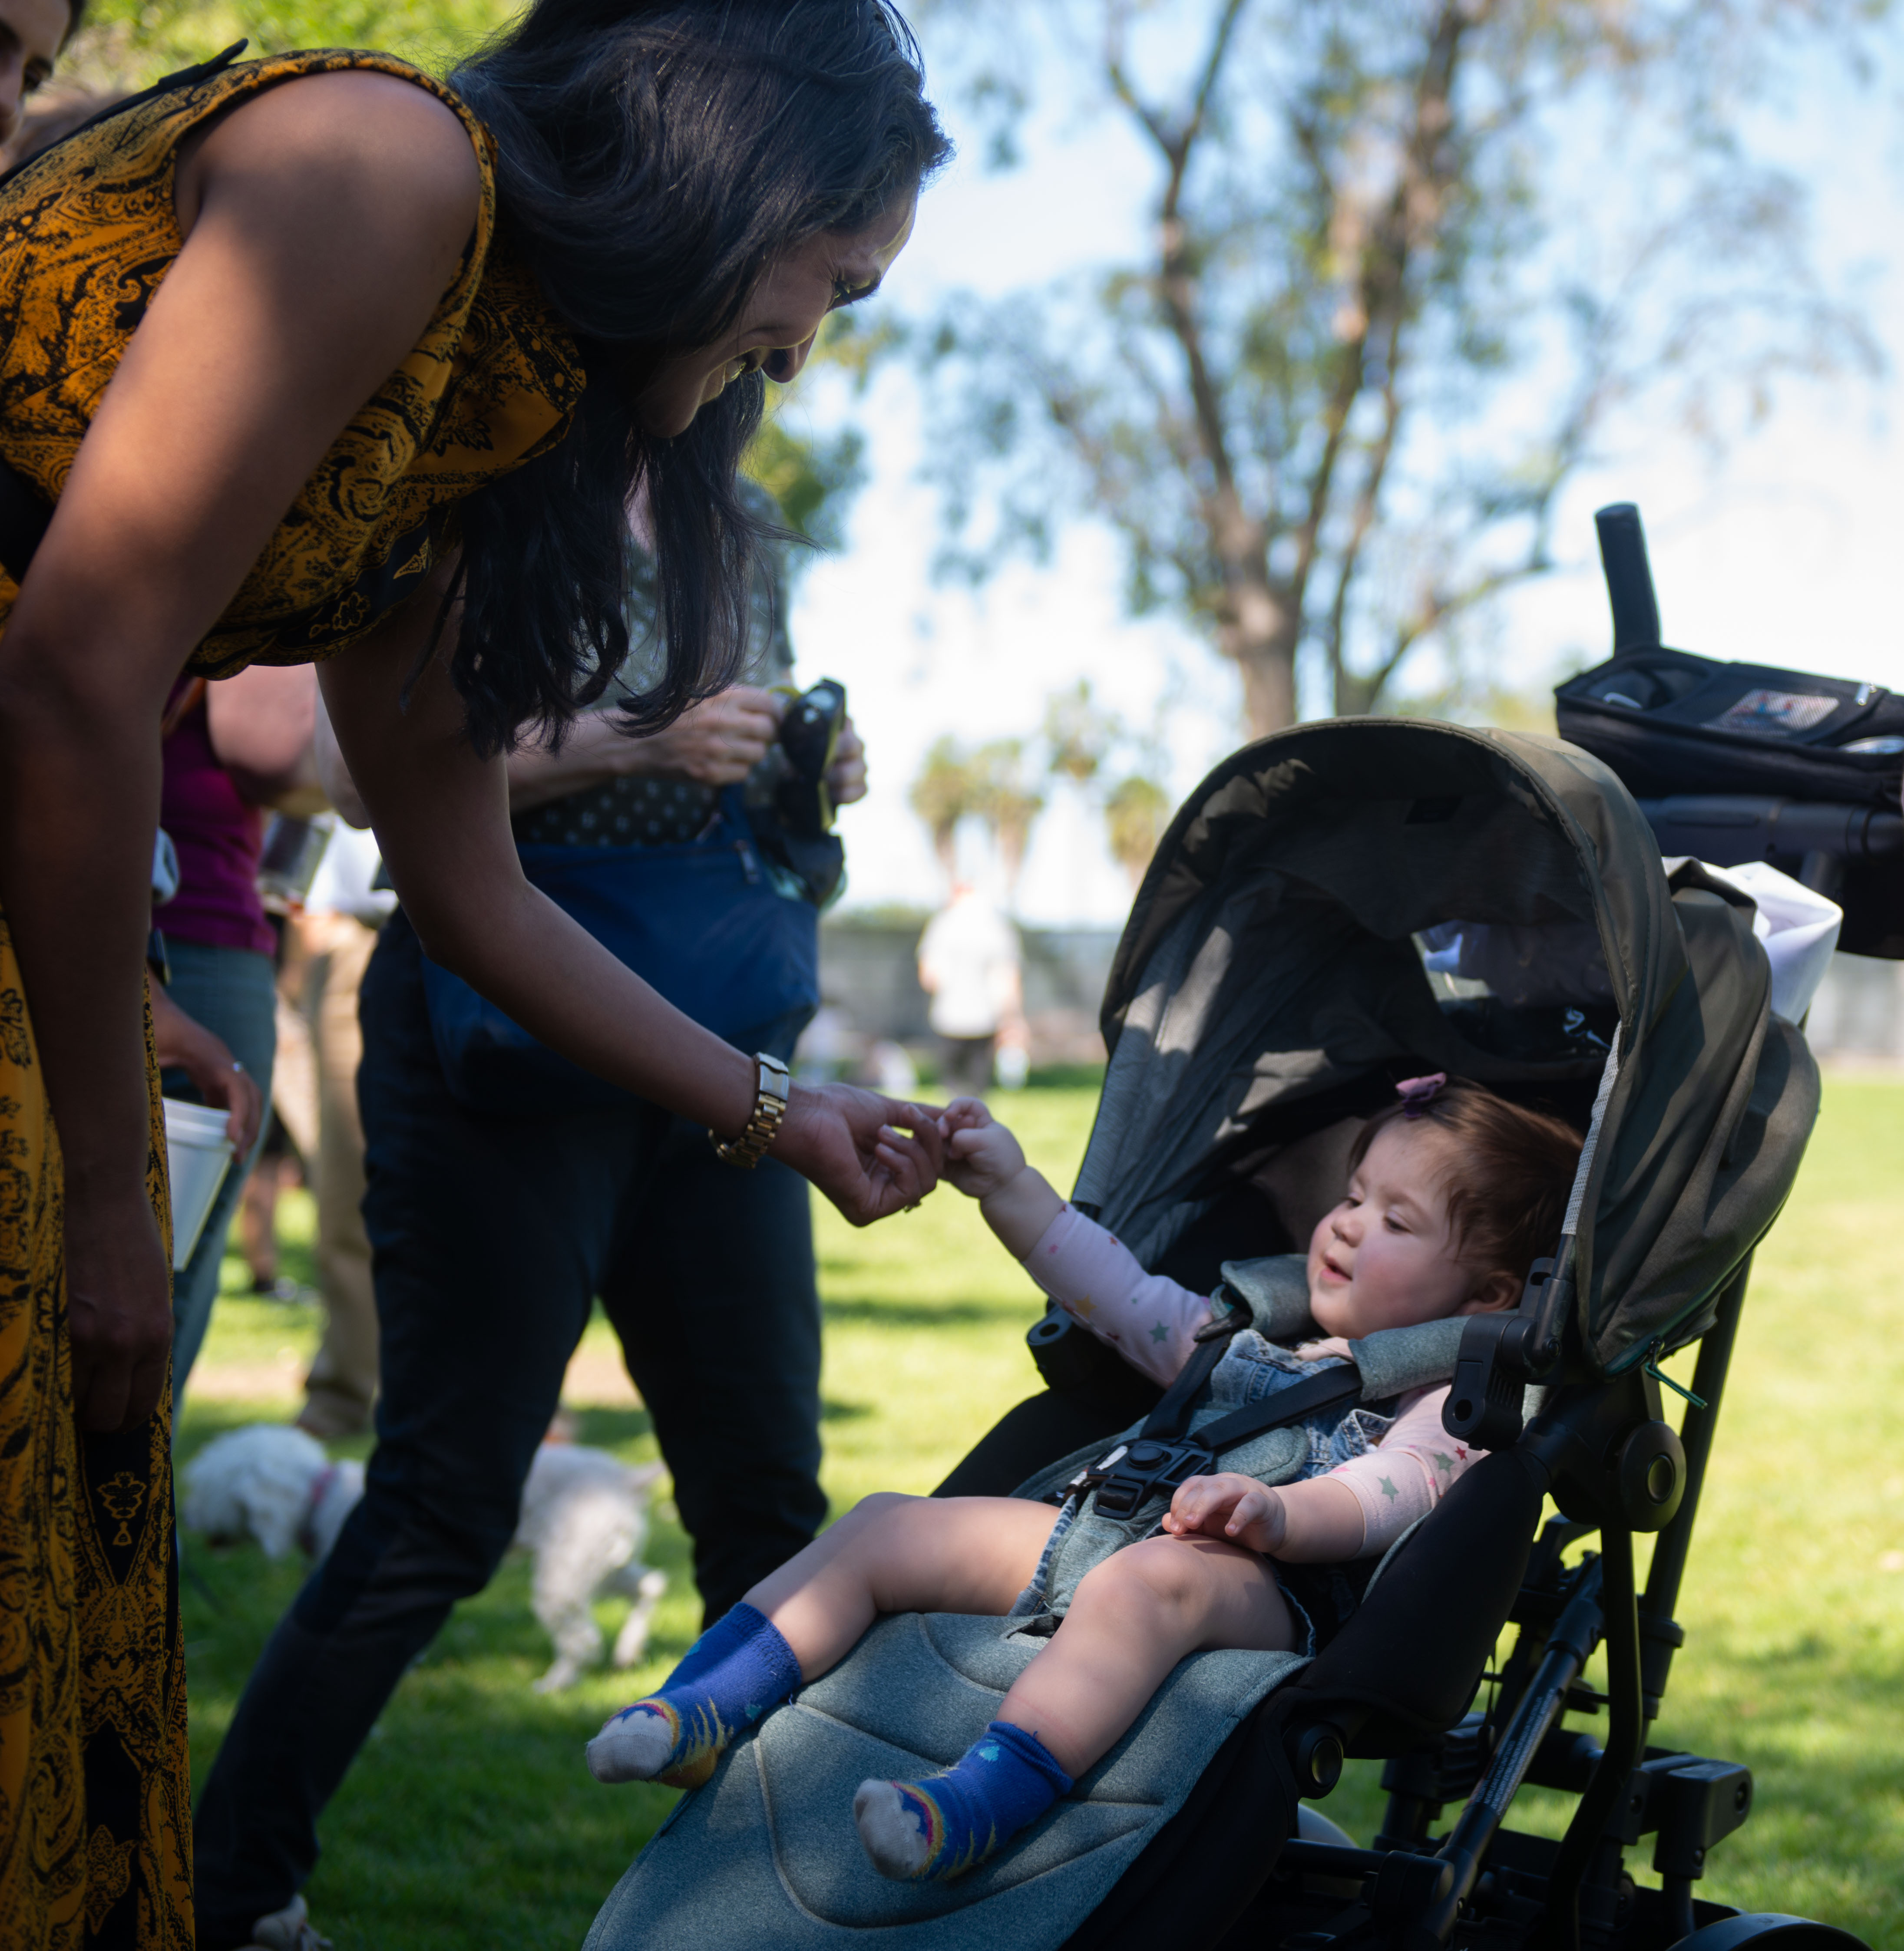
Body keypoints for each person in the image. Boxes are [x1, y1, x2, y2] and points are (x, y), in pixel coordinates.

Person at [0, 8, 948, 1946]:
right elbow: (79, 665)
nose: (806, 345)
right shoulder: (391, 166)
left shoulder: (499, 420)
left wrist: (787, 1113)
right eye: (830, 283)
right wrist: (108, 1184)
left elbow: (475, 888)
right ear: (733, 175)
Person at [587, 1077, 1582, 1884]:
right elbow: (1114, 1289)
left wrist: (1278, 1512)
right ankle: (704, 1704)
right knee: (889, 1522)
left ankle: (981, 1799)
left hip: (1256, 1586)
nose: (1347, 1225)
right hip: (1098, 1525)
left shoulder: (1449, 1404)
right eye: (1353, 1193)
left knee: (1147, 1583)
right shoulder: (1254, 1338)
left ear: (1491, 1293)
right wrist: (1006, 1180)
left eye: (1396, 1219)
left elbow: (1396, 1488)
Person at [916, 882, 1024, 1093]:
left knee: (951, 1086)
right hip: (985, 1017)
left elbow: (929, 978)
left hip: (949, 1017)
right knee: (978, 1087)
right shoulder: (997, 925)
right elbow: (1008, 976)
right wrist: (1013, 1017)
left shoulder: (942, 924)